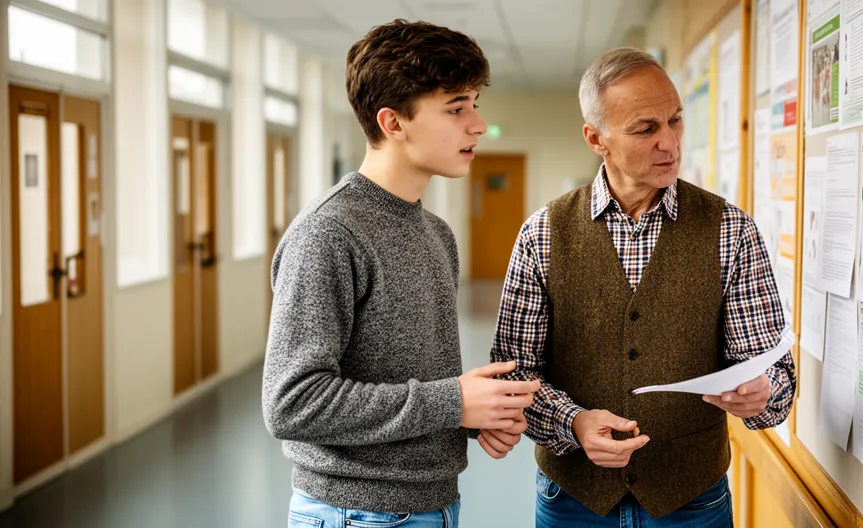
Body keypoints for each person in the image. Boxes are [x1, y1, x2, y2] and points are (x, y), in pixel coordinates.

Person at [486, 48, 795, 527]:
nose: (669, 142)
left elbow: (774, 374)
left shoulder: (730, 230)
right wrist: (572, 423)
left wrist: (762, 393)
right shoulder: (543, 233)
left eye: (675, 120)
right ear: (596, 139)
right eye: (645, 129)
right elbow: (512, 373)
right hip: (573, 501)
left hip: (693, 502)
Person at [262, 19, 540, 528]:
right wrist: (454, 402)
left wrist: (477, 416)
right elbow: (292, 403)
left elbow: (408, 379)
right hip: (356, 513)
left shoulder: (436, 233)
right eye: (456, 109)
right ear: (393, 123)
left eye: (474, 104)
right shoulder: (326, 234)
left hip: (433, 504)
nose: (477, 124)